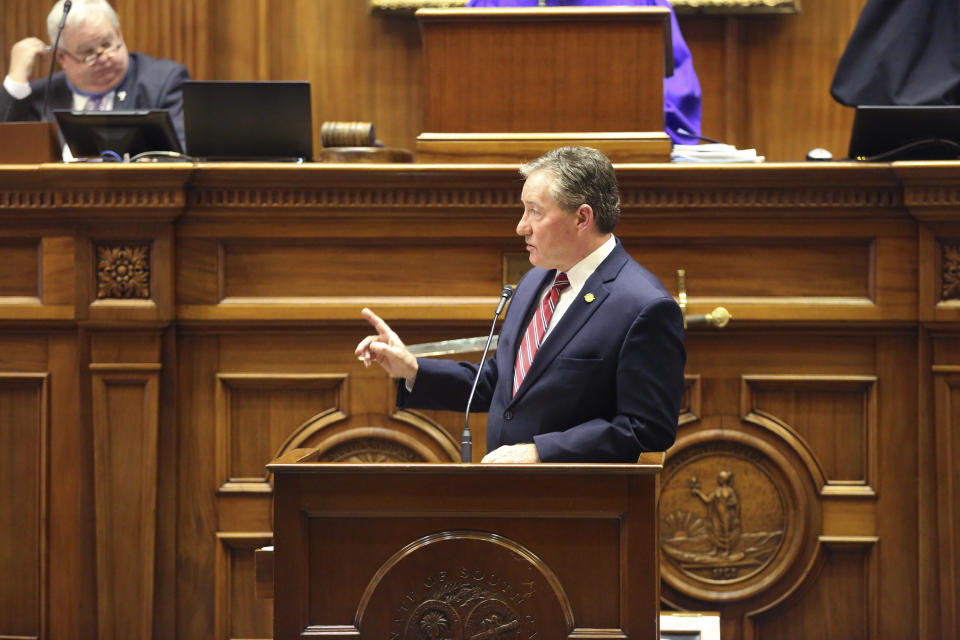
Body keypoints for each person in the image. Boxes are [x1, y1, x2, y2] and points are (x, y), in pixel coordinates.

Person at [356, 146, 685, 463]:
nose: (520, 226)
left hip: (581, 505)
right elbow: (503, 383)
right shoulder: (535, 281)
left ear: (582, 218)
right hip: (510, 496)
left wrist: (542, 452)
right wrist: (413, 369)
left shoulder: (644, 307)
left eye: (535, 212)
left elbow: (647, 429)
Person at [466, 0, 702, 146]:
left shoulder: (638, 3)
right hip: (511, 172)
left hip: (619, 174)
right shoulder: (492, 3)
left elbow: (677, 101)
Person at [0, 0, 190, 149]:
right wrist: (15, 83)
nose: (103, 58)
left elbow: (180, 154)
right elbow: (9, 152)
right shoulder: (40, 98)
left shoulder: (162, 82)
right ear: (62, 57)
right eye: (88, 53)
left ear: (119, 34)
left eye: (107, 44)